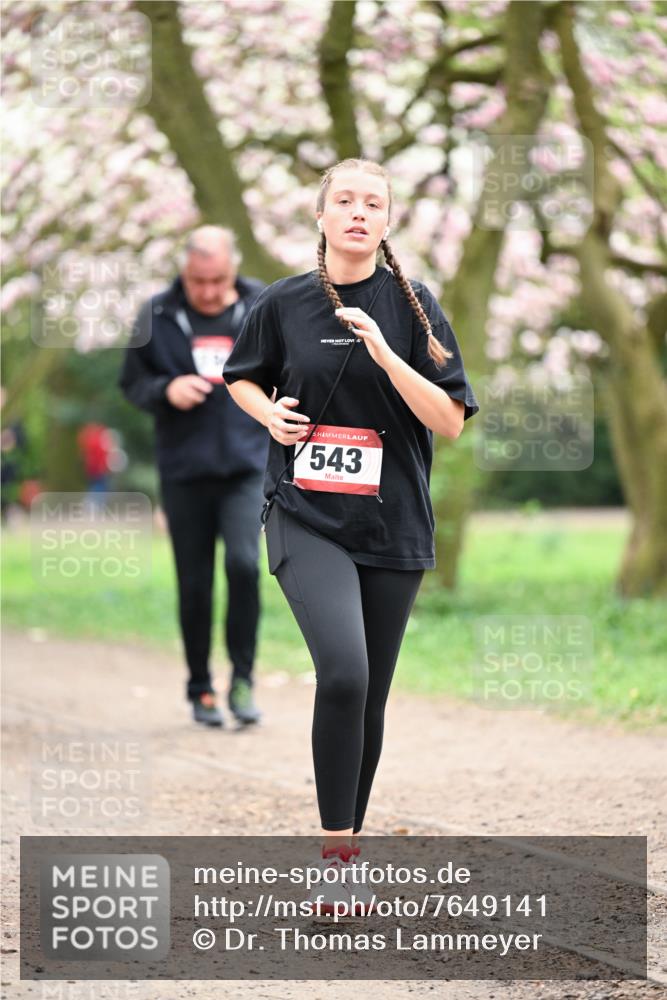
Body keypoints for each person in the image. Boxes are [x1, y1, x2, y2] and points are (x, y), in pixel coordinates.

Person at [223, 158, 479, 913]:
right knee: (341, 672)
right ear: (321, 215)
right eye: (345, 201)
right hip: (305, 514)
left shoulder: (416, 308)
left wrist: (385, 352)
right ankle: (336, 857)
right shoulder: (284, 302)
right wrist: (266, 414)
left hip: (393, 522)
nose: (358, 213)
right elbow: (243, 375)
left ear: (389, 221)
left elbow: (450, 421)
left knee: (367, 697)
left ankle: (344, 862)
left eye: (374, 203)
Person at [119, 226, 268, 728]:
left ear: (233, 268)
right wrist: (166, 389)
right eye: (198, 280)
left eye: (217, 280)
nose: (207, 291)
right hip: (184, 471)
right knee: (195, 583)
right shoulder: (156, 313)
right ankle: (200, 686)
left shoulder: (262, 306)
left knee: (246, 566)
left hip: (248, 465)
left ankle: (243, 679)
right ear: (185, 271)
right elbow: (131, 381)